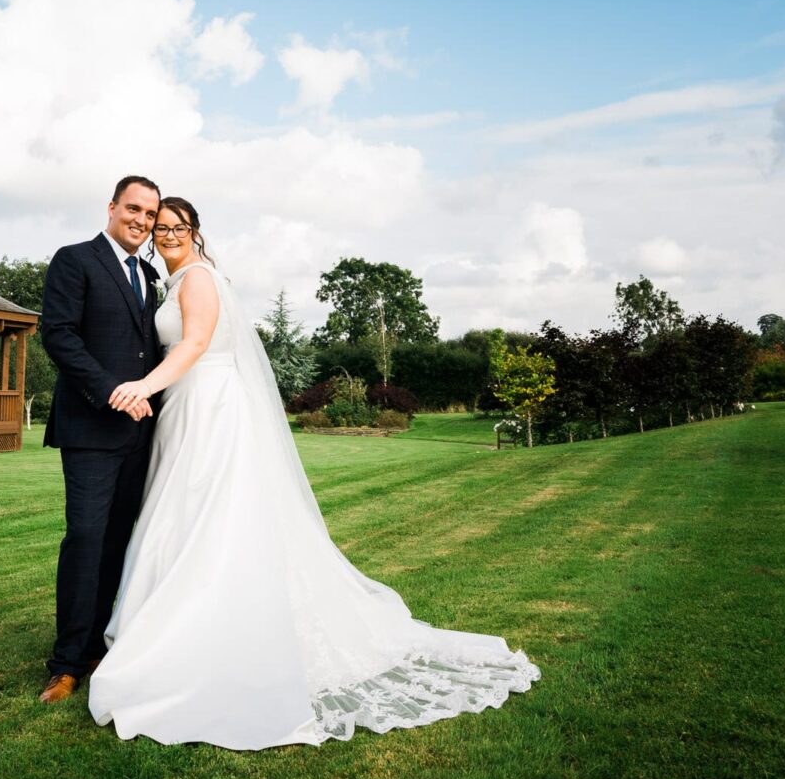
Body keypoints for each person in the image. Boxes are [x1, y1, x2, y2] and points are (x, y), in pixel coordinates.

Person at [87, 196, 539, 748]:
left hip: (210, 404)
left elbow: (199, 343)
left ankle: (202, 632)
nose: (168, 234)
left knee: (207, 509)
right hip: (186, 405)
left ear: (197, 232)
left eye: (178, 226)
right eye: (161, 227)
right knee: (182, 512)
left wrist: (142, 386)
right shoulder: (172, 283)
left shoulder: (199, 280)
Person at [37, 176, 165, 705]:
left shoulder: (153, 276)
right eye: (133, 208)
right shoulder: (75, 260)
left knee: (118, 542)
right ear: (112, 207)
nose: (141, 220)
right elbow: (59, 335)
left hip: (142, 433)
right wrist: (114, 391)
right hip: (92, 428)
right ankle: (65, 664)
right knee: (86, 540)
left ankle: (96, 646)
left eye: (150, 215)